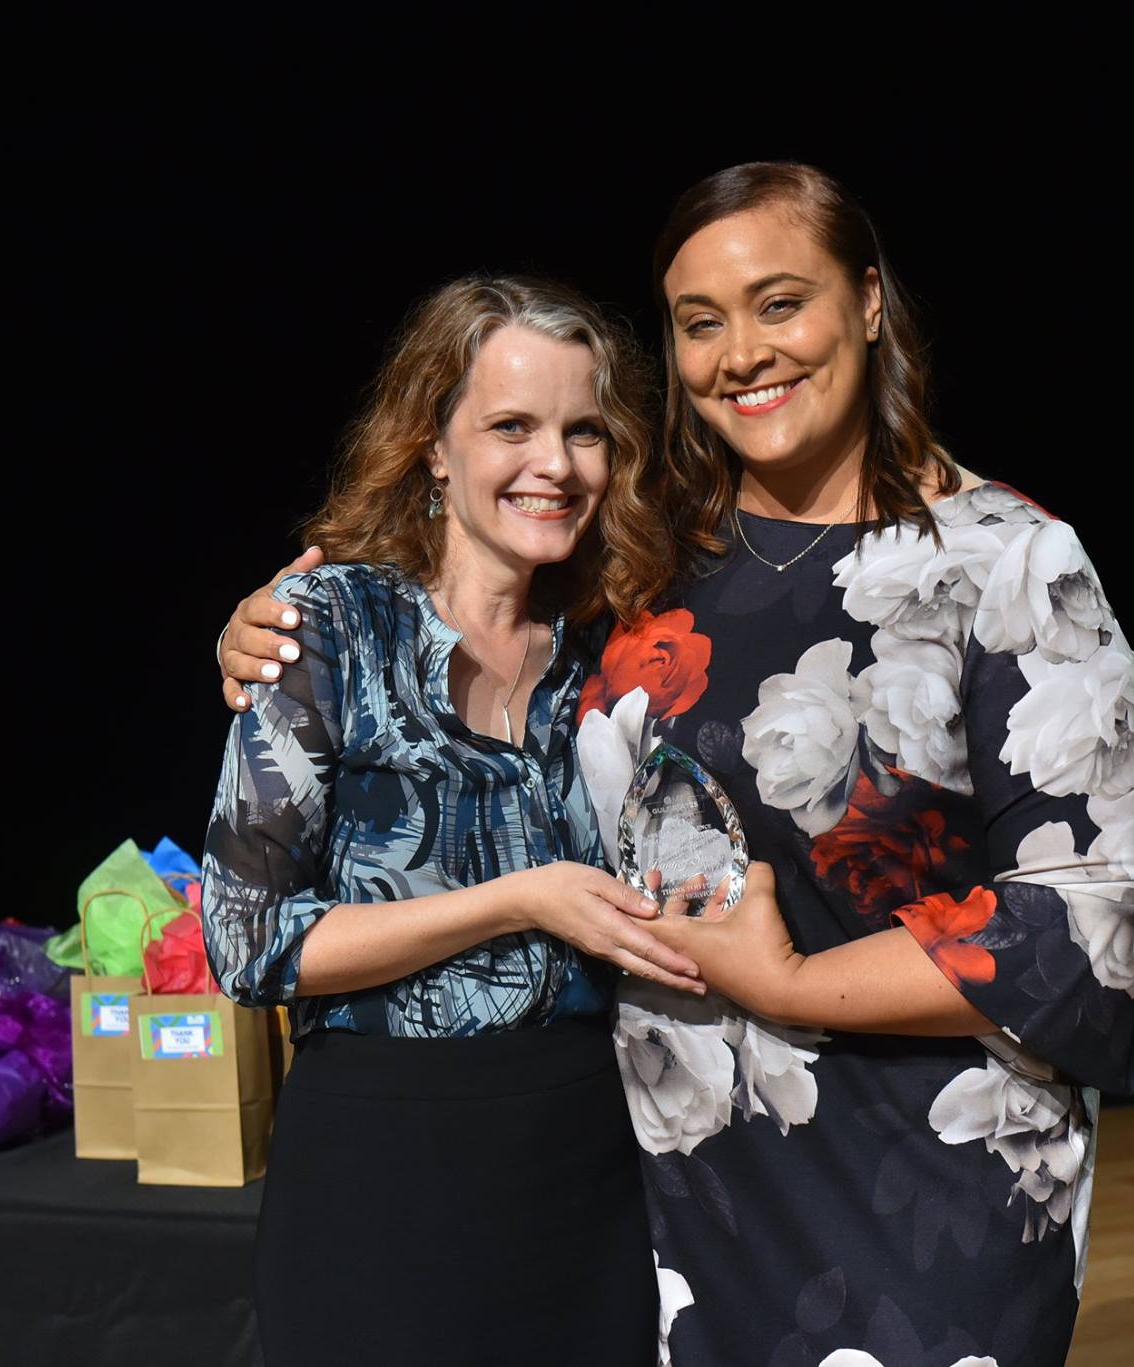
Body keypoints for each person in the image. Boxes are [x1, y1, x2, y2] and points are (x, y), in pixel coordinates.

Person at [218, 165, 1134, 1366]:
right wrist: (262, 636)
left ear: (868, 300)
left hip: (920, 1181)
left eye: (780, 303)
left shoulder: (1011, 564)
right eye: (699, 321)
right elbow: (452, 602)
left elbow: (1093, 922)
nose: (742, 352)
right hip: (676, 1199)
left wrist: (788, 983)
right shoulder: (653, 555)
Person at [199, 275, 700, 1367]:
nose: (553, 463)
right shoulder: (328, 628)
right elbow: (247, 941)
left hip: (584, 1169)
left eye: (583, 431)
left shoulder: (612, 651)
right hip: (379, 1170)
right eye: (511, 426)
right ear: (432, 445)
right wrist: (520, 900)